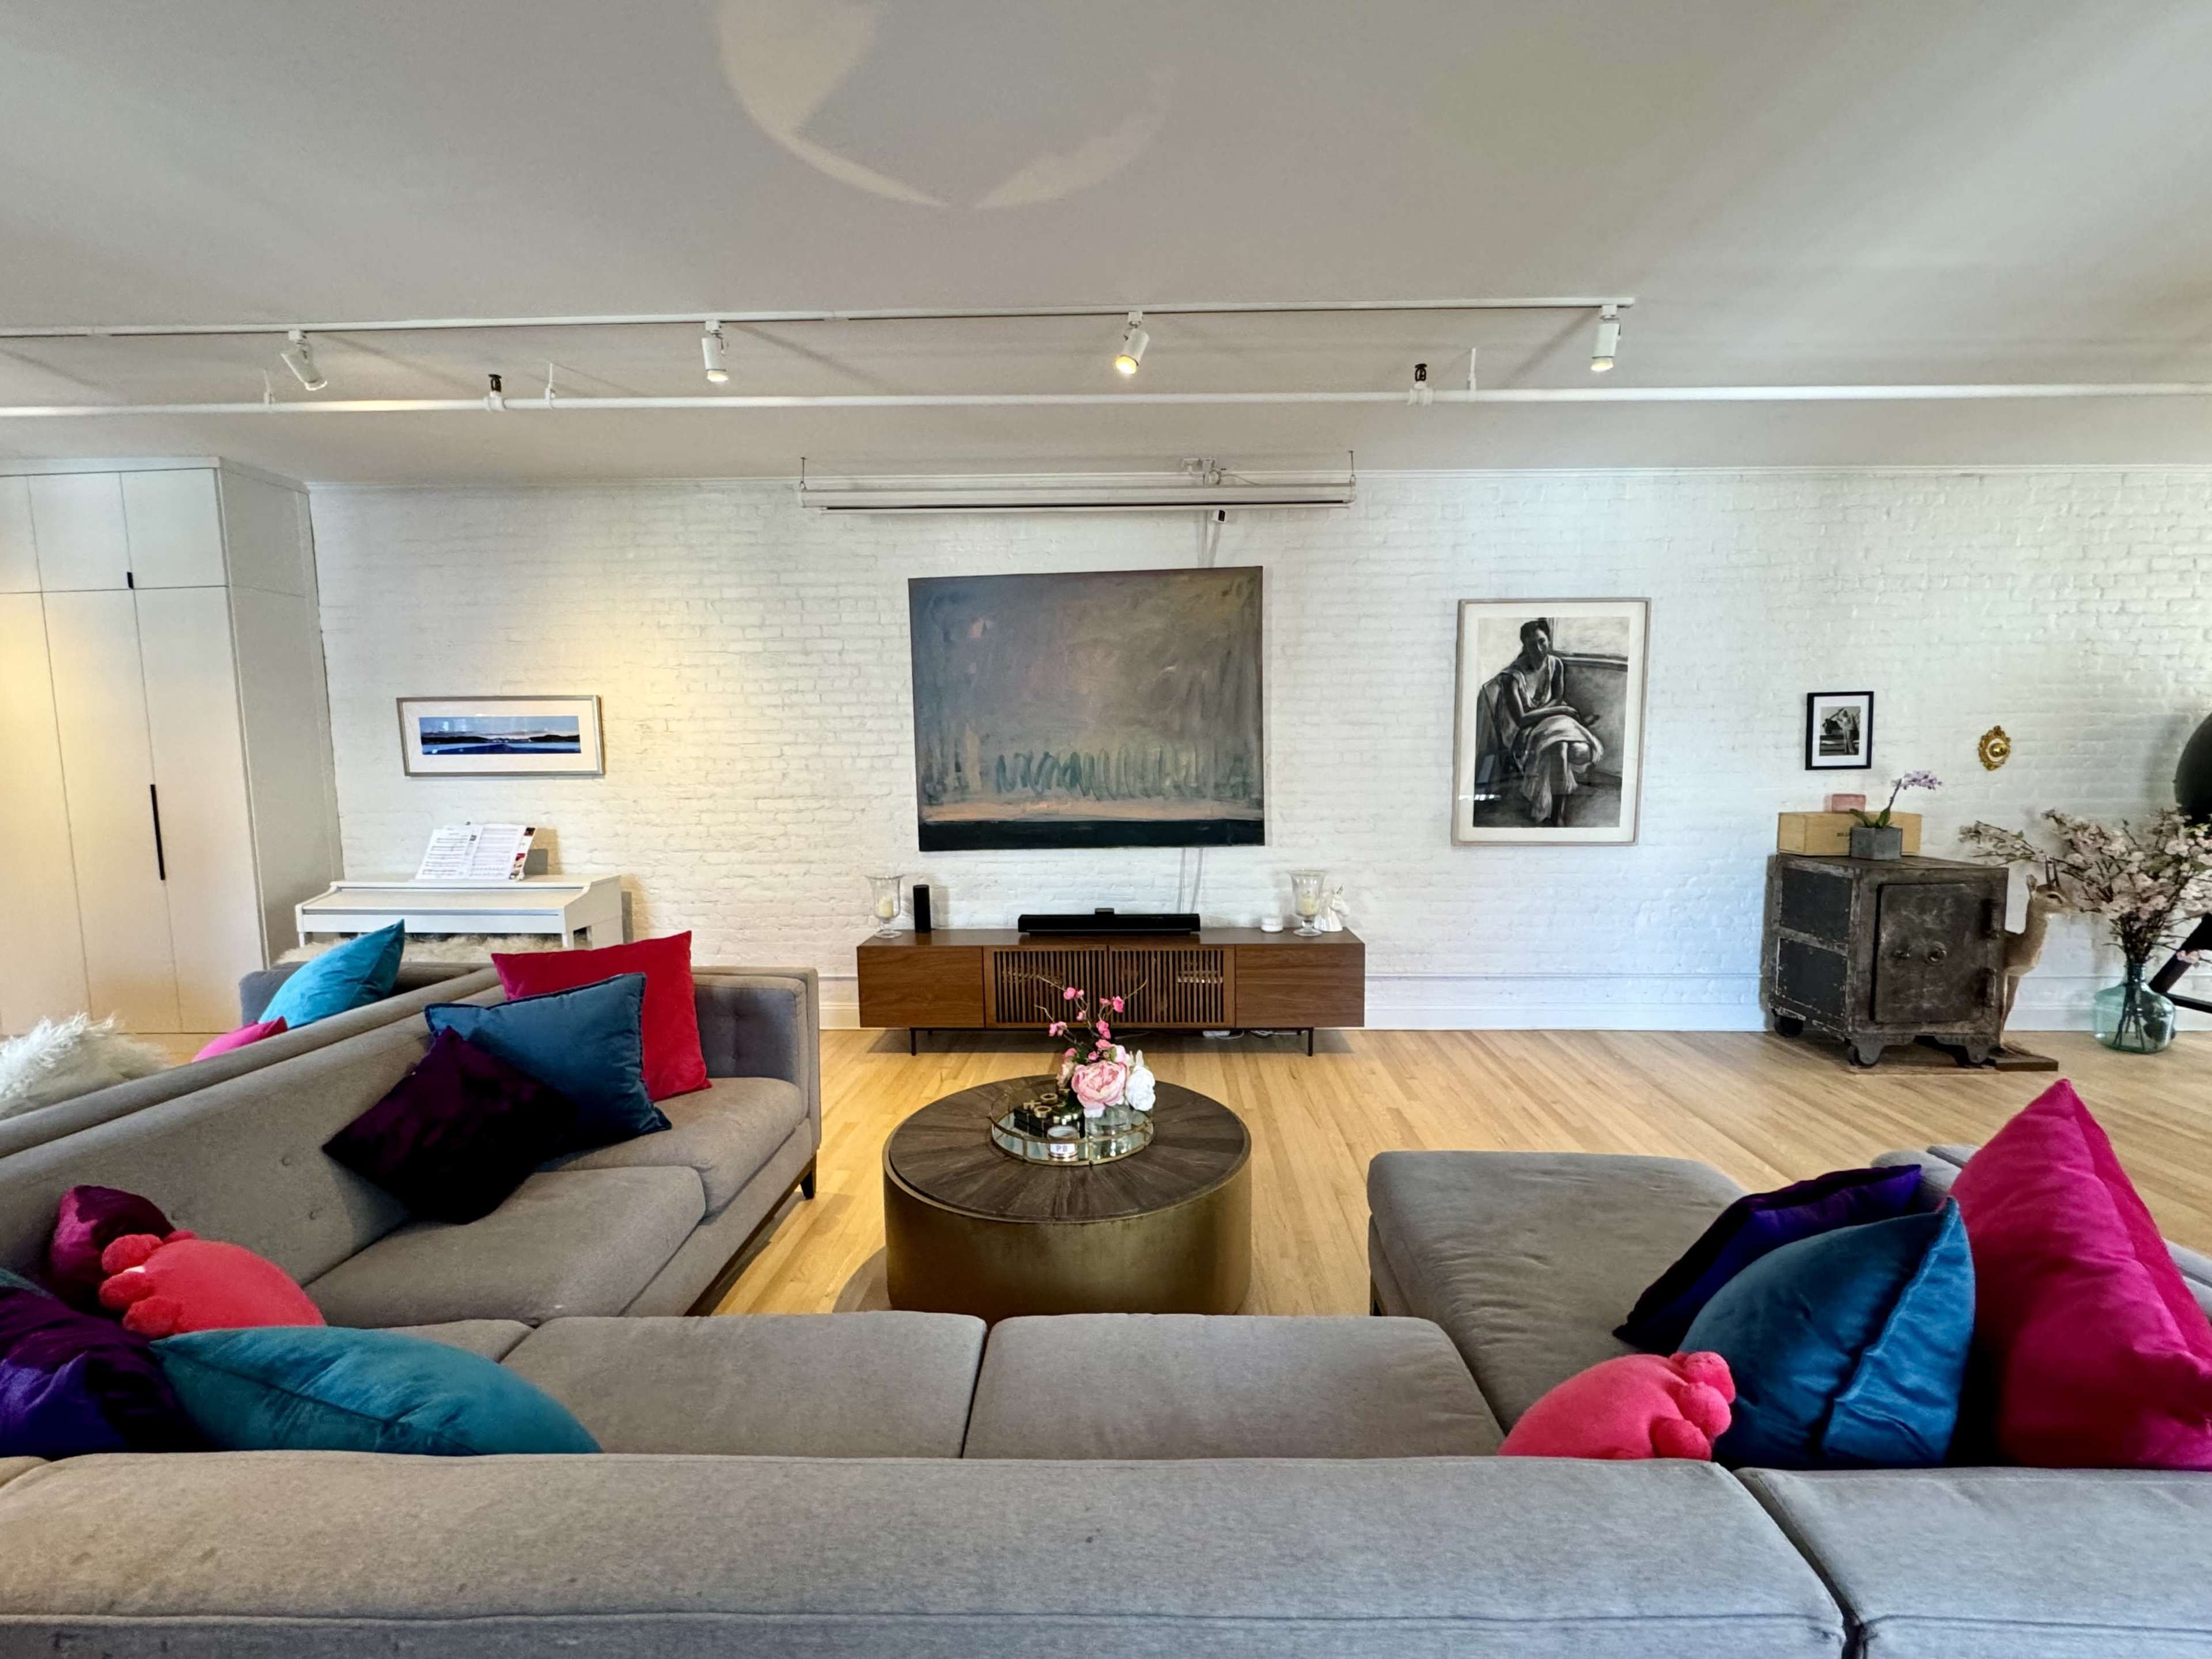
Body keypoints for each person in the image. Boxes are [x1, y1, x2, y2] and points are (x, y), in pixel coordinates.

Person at [1482, 618, 1604, 825]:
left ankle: (1555, 813)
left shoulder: (1555, 664)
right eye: (1532, 644)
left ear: (1548, 640)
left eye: (1543, 642)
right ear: (1524, 645)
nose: (1539, 649)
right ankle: (1557, 816)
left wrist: (1553, 710)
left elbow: (1556, 697)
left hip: (1550, 718)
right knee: (1559, 748)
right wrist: (1564, 710)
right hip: (1524, 729)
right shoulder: (1511, 677)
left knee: (1563, 746)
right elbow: (1521, 720)